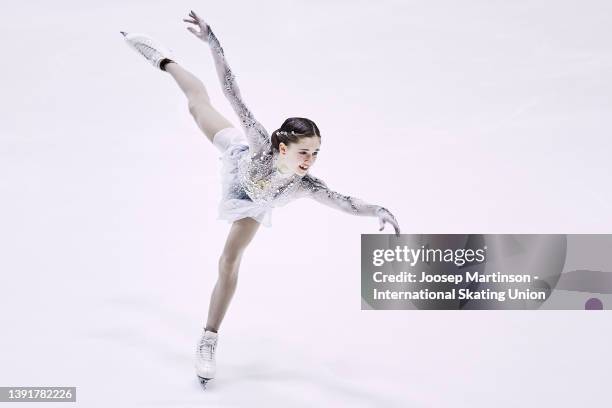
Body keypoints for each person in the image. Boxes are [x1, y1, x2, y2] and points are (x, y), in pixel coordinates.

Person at [122, 10, 400, 388]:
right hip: (239, 162)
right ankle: (165, 60)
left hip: (252, 203)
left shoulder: (306, 185)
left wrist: (379, 210)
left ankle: (208, 337)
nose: (310, 160)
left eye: (316, 153)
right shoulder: (256, 140)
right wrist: (212, 40)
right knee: (197, 102)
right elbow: (232, 90)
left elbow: (344, 202)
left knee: (229, 260)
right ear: (282, 147)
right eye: (304, 152)